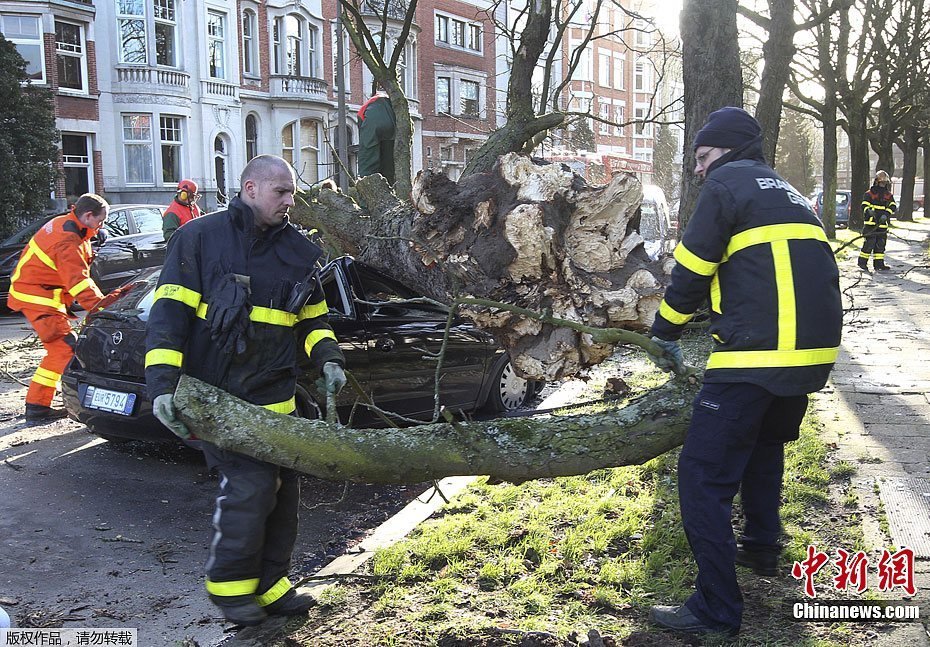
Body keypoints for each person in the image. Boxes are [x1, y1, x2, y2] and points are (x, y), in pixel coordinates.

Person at [646, 107, 843, 637]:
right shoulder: (791, 193)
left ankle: (715, 609)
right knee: (763, 445)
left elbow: (691, 268)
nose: (697, 170)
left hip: (754, 357)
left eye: (703, 157)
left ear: (729, 151)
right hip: (809, 359)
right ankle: (760, 546)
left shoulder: (727, 186)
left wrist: (662, 332)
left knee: (701, 478)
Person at [144, 155, 347, 626]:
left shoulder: (299, 252)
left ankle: (272, 587)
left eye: (293, 192)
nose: (290, 201)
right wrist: (162, 388)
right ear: (250, 189)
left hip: (277, 403)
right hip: (219, 403)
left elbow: (313, 320)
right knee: (252, 488)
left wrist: (329, 358)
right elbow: (168, 318)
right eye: (282, 192)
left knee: (283, 495)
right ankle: (230, 590)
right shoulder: (199, 239)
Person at [7, 193, 110, 423]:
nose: (101, 226)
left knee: (61, 348)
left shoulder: (68, 224)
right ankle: (38, 407)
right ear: (88, 215)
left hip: (37, 293)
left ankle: (37, 406)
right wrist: (102, 311)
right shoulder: (67, 240)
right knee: (63, 348)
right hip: (38, 297)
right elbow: (79, 282)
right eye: (100, 221)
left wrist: (93, 235)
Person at [858, 170, 896, 271]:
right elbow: (864, 205)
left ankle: (879, 264)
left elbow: (893, 206)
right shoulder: (869, 194)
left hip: (882, 224)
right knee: (869, 243)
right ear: (877, 182)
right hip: (871, 224)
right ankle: (862, 263)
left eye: (885, 183)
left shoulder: (888, 195)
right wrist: (869, 210)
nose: (883, 185)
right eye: (882, 183)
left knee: (881, 244)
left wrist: (886, 214)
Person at [357, 90, 396, 184]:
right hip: (391, 123)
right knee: (389, 162)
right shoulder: (392, 102)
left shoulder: (369, 104)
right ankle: (390, 186)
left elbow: (360, 118)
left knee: (368, 160)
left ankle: (369, 186)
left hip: (371, 125)